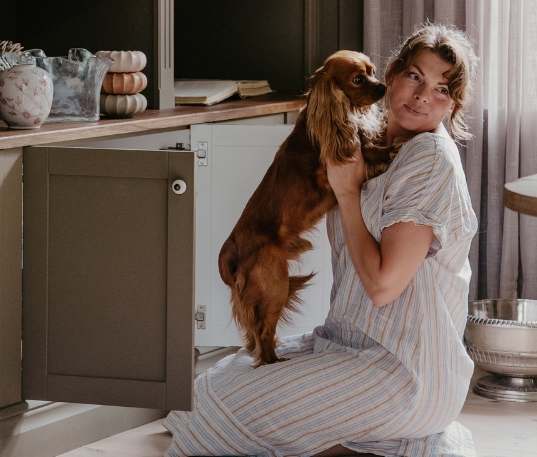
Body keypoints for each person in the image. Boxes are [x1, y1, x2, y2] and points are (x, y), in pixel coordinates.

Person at [164, 23, 480, 457]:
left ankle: (377, 435)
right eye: (415, 77)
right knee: (196, 396)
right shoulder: (367, 136)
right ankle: (374, 442)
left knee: (218, 418)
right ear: (390, 74)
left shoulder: (429, 160)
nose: (424, 96)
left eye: (442, 90)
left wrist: (348, 193)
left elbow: (384, 287)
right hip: (344, 343)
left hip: (403, 369)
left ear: (452, 105)